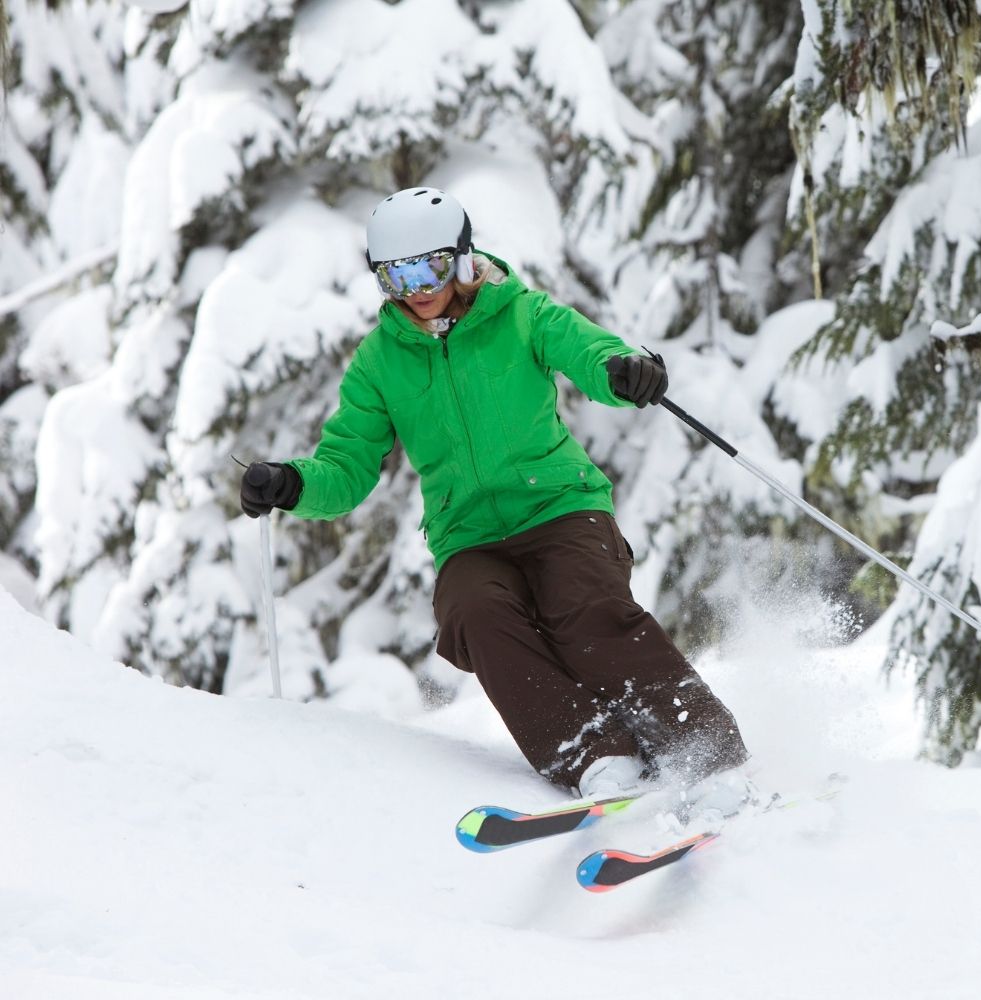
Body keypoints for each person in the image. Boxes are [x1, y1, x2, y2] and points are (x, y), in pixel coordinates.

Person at [239, 186, 751, 812]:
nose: (416, 287)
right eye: (395, 275)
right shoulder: (378, 363)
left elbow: (590, 352)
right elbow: (346, 467)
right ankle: (593, 751)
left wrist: (624, 370)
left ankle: (706, 752)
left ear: (458, 258)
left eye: (427, 266)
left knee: (583, 606)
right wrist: (294, 483)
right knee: (473, 612)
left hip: (561, 508)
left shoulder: (523, 314)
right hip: (469, 537)